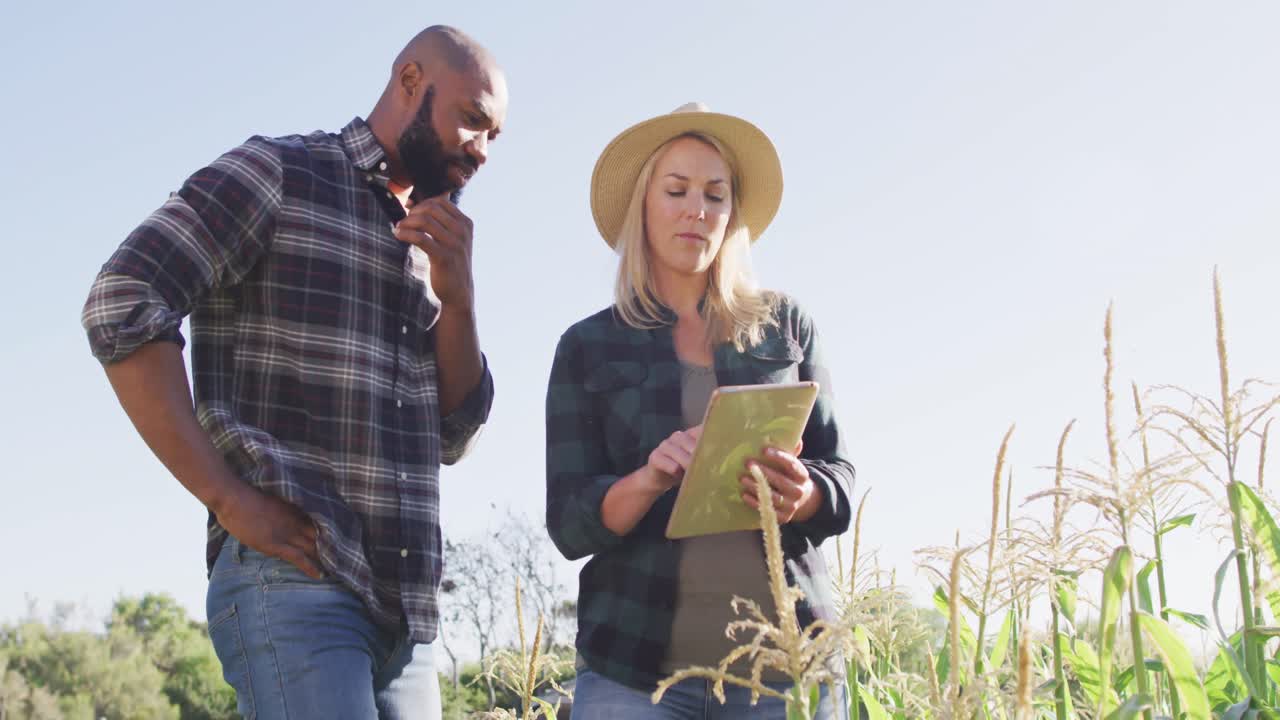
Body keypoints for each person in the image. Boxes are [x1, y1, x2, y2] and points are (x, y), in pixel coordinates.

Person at [80, 25, 507, 720]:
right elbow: (123, 299)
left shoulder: (438, 244)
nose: (482, 149)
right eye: (472, 119)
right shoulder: (278, 173)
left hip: (407, 622)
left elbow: (453, 437)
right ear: (408, 81)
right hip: (293, 584)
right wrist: (224, 496)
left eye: (496, 136)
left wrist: (459, 301)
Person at [545, 103, 855, 719]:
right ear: (644, 204)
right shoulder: (586, 347)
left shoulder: (786, 327)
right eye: (677, 190)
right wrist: (649, 477)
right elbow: (569, 523)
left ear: (732, 213)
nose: (698, 210)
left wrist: (804, 494)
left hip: (789, 666)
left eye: (716, 195)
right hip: (634, 677)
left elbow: (839, 478)